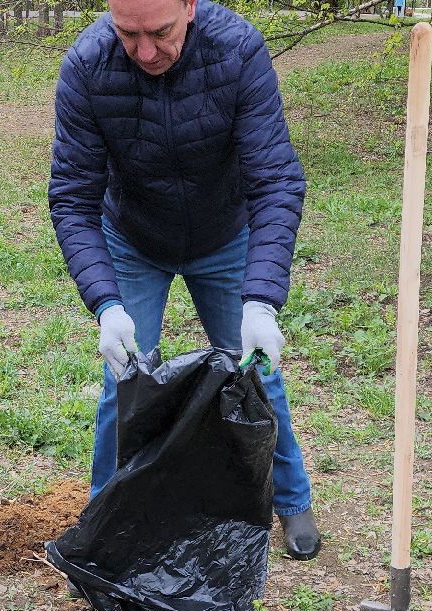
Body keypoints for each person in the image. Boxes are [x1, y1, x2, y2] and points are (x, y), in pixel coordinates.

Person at [48, 0, 322, 560]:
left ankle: (292, 502)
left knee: (257, 377)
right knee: (123, 381)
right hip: (135, 237)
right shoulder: (87, 65)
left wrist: (261, 301)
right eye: (128, 34)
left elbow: (275, 180)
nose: (146, 51)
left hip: (225, 234)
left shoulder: (237, 50)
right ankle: (106, 515)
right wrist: (106, 304)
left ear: (189, 7)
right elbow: (73, 197)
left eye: (161, 32)